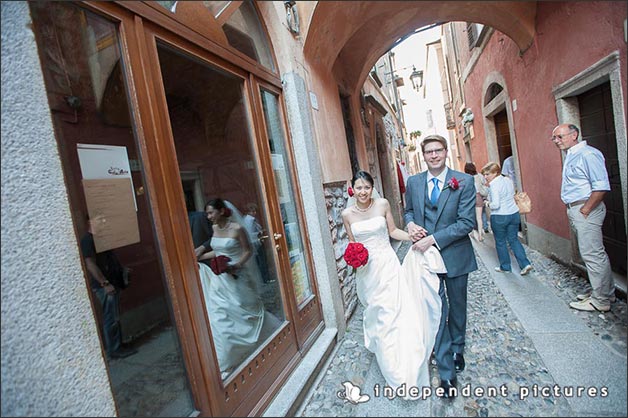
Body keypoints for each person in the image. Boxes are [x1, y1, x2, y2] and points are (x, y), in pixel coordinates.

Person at [341, 171, 443, 397]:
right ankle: (385, 349)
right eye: (358, 188)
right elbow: (352, 243)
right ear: (353, 189)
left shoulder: (383, 204)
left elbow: (393, 231)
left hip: (387, 265)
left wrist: (414, 238)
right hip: (367, 271)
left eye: (367, 187)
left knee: (391, 310)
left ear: (372, 187)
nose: (363, 192)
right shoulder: (347, 214)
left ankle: (397, 365)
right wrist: (354, 258)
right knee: (376, 312)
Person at [404, 135, 477, 398]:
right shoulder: (413, 182)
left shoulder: (464, 181)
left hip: (455, 254)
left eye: (438, 151)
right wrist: (411, 224)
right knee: (435, 309)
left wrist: (432, 239)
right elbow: (409, 211)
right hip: (425, 262)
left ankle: (458, 346)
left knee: (457, 305)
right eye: (429, 152)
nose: (433, 155)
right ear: (423, 156)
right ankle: (446, 369)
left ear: (446, 152)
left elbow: (466, 222)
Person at [197, 198, 280, 380]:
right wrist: (200, 254)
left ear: (221, 211)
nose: (209, 216)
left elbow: (248, 250)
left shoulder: (237, 228)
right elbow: (218, 251)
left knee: (245, 311)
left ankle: (258, 338)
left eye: (211, 212)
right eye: (207, 213)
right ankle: (226, 357)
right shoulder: (215, 229)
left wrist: (236, 265)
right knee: (219, 316)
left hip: (236, 276)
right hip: (220, 282)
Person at [551, 123, 615, 312]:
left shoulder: (588, 154)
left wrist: (585, 210)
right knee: (593, 252)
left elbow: (601, 186)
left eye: (560, 137)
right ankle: (605, 292)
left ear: (574, 135)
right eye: (554, 138)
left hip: (586, 208)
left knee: (592, 254)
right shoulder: (573, 155)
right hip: (578, 208)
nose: (556, 141)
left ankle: (600, 300)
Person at [80, 215, 137, 360]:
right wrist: (104, 283)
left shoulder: (101, 239)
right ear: (90, 222)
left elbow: (109, 260)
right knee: (110, 318)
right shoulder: (87, 240)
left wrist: (122, 270)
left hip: (112, 283)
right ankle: (114, 350)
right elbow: (90, 264)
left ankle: (119, 345)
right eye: (100, 219)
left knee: (115, 317)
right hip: (104, 286)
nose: (103, 222)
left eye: (104, 219)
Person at [481, 162, 533, 275]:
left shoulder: (494, 185)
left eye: (487, 174)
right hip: (513, 214)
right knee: (514, 240)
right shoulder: (508, 180)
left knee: (500, 242)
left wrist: (487, 203)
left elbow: (496, 205)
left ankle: (505, 267)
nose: (485, 177)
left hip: (500, 216)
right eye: (484, 174)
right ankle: (525, 264)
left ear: (495, 173)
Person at [464, 162, 489, 242]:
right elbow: (485, 184)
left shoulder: (465, 177)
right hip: (478, 197)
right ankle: (480, 236)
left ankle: (472, 232)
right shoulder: (479, 176)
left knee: (470, 217)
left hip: (469, 198)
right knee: (479, 218)